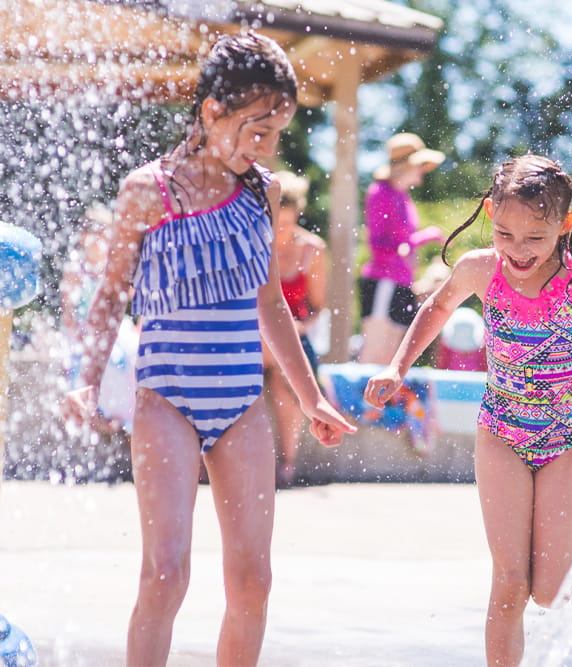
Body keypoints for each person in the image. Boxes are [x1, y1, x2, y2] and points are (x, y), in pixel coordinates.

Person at [62, 32, 356, 667]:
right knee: (165, 575)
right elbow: (111, 295)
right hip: (166, 400)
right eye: (255, 130)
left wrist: (310, 399)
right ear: (211, 111)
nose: (266, 147)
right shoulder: (149, 191)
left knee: (253, 581)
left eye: (275, 132)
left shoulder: (262, 191)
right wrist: (87, 378)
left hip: (242, 403)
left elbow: (270, 303)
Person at [363, 154, 572, 666]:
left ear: (564, 225)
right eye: (505, 234)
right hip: (501, 434)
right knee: (509, 581)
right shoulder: (480, 269)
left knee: (549, 594)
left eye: (535, 238)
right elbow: (436, 308)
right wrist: (397, 366)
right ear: (488, 214)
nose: (518, 251)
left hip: (567, 441)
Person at [262, 171, 327, 488]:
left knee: (285, 376)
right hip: (253, 334)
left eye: (287, 223)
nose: (281, 231)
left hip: (293, 336)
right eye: (276, 223)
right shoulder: (255, 243)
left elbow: (316, 306)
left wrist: (298, 327)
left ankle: (286, 463)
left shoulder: (312, 249)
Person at [357, 132, 446, 365]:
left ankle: (379, 403)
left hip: (400, 283)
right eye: (421, 164)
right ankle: (362, 403)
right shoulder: (381, 193)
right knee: (374, 358)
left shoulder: (402, 196)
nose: (425, 170)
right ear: (407, 165)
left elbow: (399, 243)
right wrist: (422, 239)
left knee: (392, 362)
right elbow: (379, 247)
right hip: (384, 283)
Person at [60, 202, 139, 433]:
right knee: (99, 358)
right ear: (84, 237)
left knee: (131, 355)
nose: (101, 241)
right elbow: (68, 312)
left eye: (106, 234)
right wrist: (79, 332)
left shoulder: (113, 269)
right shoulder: (77, 269)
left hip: (114, 327)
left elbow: (135, 297)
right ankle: (96, 412)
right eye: (96, 234)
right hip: (84, 330)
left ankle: (126, 415)